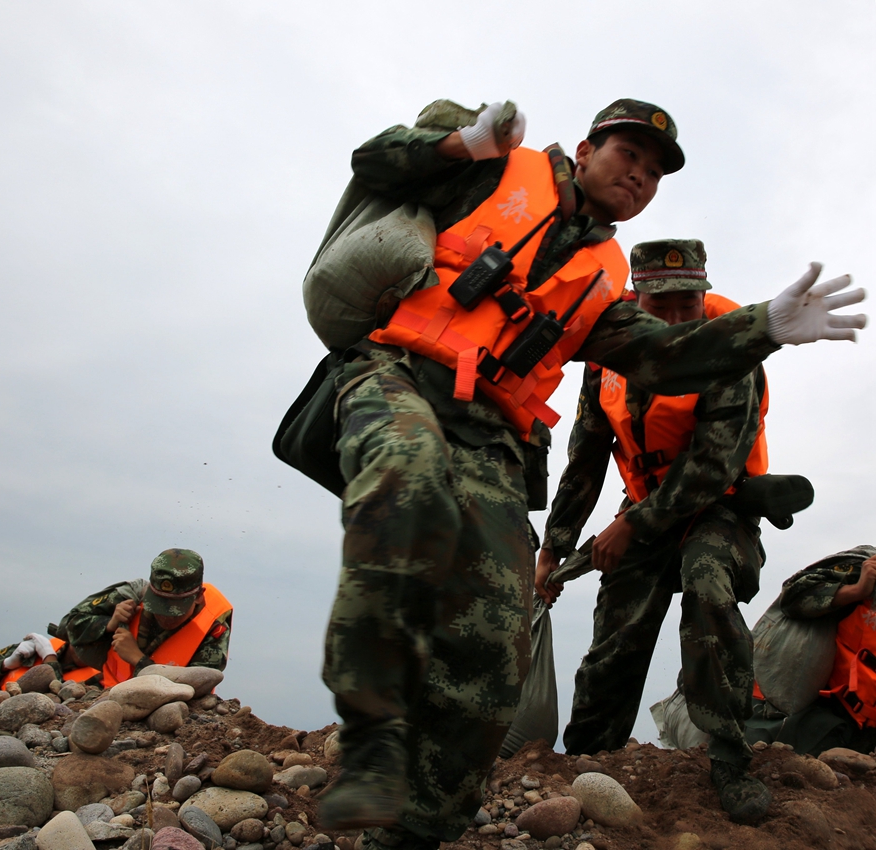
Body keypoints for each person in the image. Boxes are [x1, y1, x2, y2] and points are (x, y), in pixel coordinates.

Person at [313, 96, 865, 849]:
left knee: (497, 632)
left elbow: (678, 382)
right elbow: (372, 161)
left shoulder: (605, 294)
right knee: (408, 478)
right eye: (624, 156)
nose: (636, 176)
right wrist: (457, 144)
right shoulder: (492, 172)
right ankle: (377, 732)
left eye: (652, 172)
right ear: (585, 148)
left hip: (628, 483)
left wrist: (761, 326)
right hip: (400, 376)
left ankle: (418, 828)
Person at [536, 238, 790, 824]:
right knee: (616, 631)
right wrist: (554, 547)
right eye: (662, 306)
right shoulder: (607, 356)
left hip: (721, 508)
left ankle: (729, 757)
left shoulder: (730, 344)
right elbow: (586, 458)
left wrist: (632, 524)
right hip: (645, 510)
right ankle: (590, 758)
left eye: (688, 303)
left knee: (707, 587)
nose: (678, 319)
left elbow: (712, 464)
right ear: (635, 300)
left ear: (704, 295)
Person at [0, 548, 231, 693]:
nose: (164, 616)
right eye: (158, 606)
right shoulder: (131, 595)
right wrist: (109, 624)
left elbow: (196, 686)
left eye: (174, 610)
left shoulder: (213, 626)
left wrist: (136, 659)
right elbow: (70, 622)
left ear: (198, 598)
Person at [746, 546, 876, 756]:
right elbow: (792, 595)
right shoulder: (866, 567)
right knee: (764, 756)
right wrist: (857, 590)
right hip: (816, 704)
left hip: (865, 731)